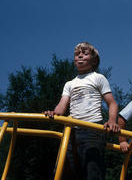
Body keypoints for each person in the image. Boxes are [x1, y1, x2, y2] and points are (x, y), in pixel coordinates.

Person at [44, 42, 120, 180]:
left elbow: (112, 103)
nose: (80, 56)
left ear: (94, 60)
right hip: (72, 131)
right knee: (66, 170)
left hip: (93, 129)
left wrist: (111, 121)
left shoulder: (98, 78)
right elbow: (61, 106)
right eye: (77, 54)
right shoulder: (70, 84)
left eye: (85, 54)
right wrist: (53, 113)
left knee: (92, 171)